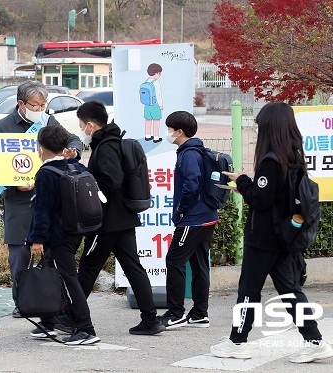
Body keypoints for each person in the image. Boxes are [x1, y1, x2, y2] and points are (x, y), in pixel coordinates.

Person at [210, 102, 333, 363]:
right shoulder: (293, 155)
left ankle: (237, 342)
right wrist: (248, 186)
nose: (256, 131)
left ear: (270, 128)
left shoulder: (271, 161)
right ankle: (315, 341)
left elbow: (261, 200)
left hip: (264, 239)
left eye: (259, 126)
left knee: (248, 290)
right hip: (283, 236)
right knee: (289, 291)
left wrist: (242, 181)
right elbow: (275, 196)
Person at [0, 80, 82, 317]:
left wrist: (73, 151)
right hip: (18, 201)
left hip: (47, 199)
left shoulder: (47, 121)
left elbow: (72, 139)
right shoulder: (2, 127)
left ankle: (54, 301)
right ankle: (21, 302)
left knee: (52, 252)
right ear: (21, 104)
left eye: (43, 105)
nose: (39, 110)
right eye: (35, 105)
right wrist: (14, 183)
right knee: (19, 256)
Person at [76, 100, 165, 335]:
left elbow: (111, 180)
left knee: (88, 266)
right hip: (123, 218)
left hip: (106, 221)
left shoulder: (105, 147)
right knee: (133, 267)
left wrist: (91, 186)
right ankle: (150, 319)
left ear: (91, 125)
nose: (81, 129)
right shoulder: (112, 142)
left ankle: (71, 316)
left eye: (81, 125)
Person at [26, 125, 100, 345]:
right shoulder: (74, 166)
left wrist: (37, 239)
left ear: (40, 148)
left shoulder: (46, 174)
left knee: (68, 280)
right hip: (76, 230)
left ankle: (86, 329)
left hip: (58, 237)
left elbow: (42, 210)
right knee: (52, 274)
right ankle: (50, 322)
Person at [159, 111, 218, 329]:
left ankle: (175, 313)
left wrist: (181, 211)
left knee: (174, 261)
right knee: (199, 264)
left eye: (170, 129)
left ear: (179, 131)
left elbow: (191, 185)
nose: (168, 133)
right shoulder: (197, 150)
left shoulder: (190, 154)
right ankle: (199, 313)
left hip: (192, 219)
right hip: (207, 217)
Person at [143, 63, 163, 142]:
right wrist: (160, 105)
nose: (160, 75)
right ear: (156, 73)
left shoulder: (147, 81)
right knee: (156, 121)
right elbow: (158, 94)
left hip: (147, 105)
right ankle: (156, 138)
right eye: (159, 73)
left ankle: (147, 136)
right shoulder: (156, 82)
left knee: (148, 120)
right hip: (155, 105)